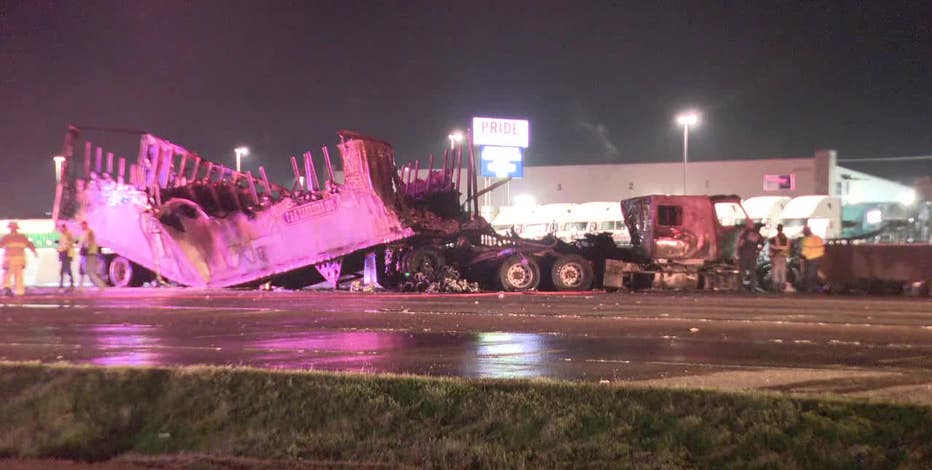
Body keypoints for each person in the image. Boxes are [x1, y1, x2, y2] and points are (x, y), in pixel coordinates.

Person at [0, 221, 38, 296]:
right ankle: (20, 291)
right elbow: (30, 244)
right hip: (20, 260)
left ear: (10, 228)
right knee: (19, 276)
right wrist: (34, 252)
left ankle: (7, 288)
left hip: (10, 260)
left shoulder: (6, 237)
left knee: (7, 275)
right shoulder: (22, 237)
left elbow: (0, 245)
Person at [78, 220, 107, 289]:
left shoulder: (89, 232)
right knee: (82, 269)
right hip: (87, 254)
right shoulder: (86, 232)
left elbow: (87, 243)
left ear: (85, 225)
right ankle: (80, 287)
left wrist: (83, 248)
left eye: (82, 225)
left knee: (90, 271)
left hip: (90, 254)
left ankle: (101, 285)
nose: (81, 227)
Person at [738, 222, 764, 292]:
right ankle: (753, 288)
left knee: (742, 270)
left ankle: (739, 287)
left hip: (744, 253)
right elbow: (761, 245)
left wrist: (739, 251)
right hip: (752, 254)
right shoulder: (759, 235)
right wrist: (757, 251)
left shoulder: (747, 232)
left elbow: (741, 242)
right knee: (752, 271)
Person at [800, 225, 825, 293]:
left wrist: (802, 256)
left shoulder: (806, 239)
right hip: (820, 258)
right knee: (819, 273)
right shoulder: (818, 237)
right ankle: (821, 287)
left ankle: (811, 288)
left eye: (804, 232)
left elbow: (804, 251)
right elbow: (823, 247)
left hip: (811, 258)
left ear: (806, 232)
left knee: (811, 274)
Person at [769, 224, 790, 292]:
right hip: (783, 257)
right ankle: (782, 285)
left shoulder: (773, 239)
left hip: (776, 257)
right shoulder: (787, 239)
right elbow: (788, 248)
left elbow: (772, 248)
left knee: (776, 271)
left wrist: (776, 249)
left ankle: (776, 286)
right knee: (782, 271)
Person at [57, 223, 76, 290]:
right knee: (66, 269)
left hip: (67, 254)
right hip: (64, 253)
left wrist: (65, 246)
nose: (60, 230)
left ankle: (64, 283)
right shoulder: (62, 235)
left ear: (64, 228)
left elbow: (71, 242)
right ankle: (69, 283)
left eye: (61, 228)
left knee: (66, 269)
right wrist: (59, 249)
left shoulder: (68, 234)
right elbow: (61, 245)